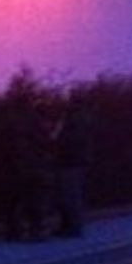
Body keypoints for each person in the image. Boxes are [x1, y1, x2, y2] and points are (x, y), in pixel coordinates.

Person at [5, 98, 56, 242]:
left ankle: (22, 231)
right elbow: (47, 145)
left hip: (26, 168)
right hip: (36, 167)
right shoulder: (39, 127)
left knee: (25, 200)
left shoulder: (20, 125)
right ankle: (35, 231)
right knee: (36, 200)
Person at [54, 98, 93, 238]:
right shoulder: (79, 122)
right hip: (72, 162)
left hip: (70, 163)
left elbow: (62, 140)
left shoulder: (73, 124)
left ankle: (73, 228)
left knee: (70, 197)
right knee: (69, 196)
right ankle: (69, 226)